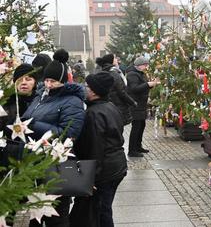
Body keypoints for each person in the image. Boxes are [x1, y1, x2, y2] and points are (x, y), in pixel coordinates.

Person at [23, 49, 85, 227]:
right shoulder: (41, 97)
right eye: (47, 80)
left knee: (57, 217)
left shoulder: (72, 101)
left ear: (63, 81)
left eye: (53, 81)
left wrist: (33, 125)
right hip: (35, 163)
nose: (49, 84)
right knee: (34, 214)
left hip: (58, 166)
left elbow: (68, 133)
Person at [71, 71, 127, 227]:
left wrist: (91, 177)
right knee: (103, 208)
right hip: (116, 165)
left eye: (87, 86)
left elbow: (95, 148)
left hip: (105, 171)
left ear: (94, 91)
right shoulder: (109, 106)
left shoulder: (93, 114)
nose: (84, 88)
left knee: (101, 211)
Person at [0, 64, 37, 167]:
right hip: (9, 158)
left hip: (35, 158)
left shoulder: (41, 102)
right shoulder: (6, 103)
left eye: (28, 79)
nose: (24, 82)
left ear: (35, 82)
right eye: (20, 79)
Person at [126, 56, 159, 157]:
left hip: (141, 104)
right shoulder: (132, 74)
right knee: (136, 127)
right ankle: (132, 150)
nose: (146, 67)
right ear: (139, 65)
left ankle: (138, 146)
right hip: (135, 104)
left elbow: (143, 86)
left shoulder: (140, 74)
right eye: (145, 65)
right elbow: (134, 88)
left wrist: (151, 84)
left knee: (141, 125)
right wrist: (148, 84)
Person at [96, 53, 136, 125]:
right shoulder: (114, 73)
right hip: (118, 106)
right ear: (111, 61)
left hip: (110, 106)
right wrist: (132, 102)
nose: (116, 59)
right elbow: (121, 91)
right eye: (114, 58)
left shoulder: (105, 72)